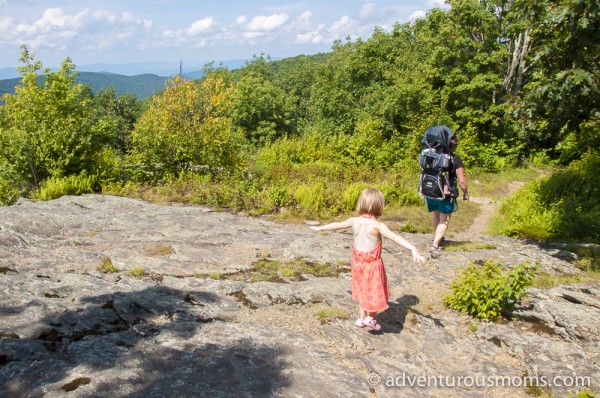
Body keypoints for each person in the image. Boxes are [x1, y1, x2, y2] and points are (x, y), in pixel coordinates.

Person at [310, 188, 426, 331]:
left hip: (357, 263)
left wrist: (321, 228)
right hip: (372, 265)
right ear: (380, 206)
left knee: (361, 290)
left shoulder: (354, 221)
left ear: (361, 203)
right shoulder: (377, 225)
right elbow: (394, 237)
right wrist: (412, 248)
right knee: (373, 292)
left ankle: (361, 318)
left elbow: (336, 225)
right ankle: (371, 318)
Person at [426, 132, 469, 252]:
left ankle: (439, 237)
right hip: (445, 194)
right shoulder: (455, 158)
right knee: (444, 219)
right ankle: (435, 244)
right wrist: (465, 193)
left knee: (436, 215)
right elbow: (462, 181)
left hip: (430, 191)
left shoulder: (432, 155)